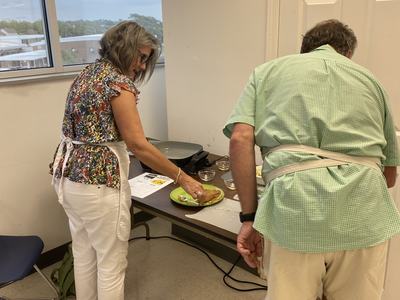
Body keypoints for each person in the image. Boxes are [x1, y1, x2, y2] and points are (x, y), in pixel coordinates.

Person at [223, 19, 400, 300]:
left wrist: (249, 219)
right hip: (364, 215)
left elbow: (240, 139)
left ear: (304, 50)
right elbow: (389, 176)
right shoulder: (371, 81)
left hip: (294, 211)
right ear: (347, 54)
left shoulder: (267, 72)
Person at [50, 21, 205, 300]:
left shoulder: (88, 74)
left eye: (147, 59)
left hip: (68, 177)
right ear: (125, 48)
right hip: (97, 185)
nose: (143, 66)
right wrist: (183, 177)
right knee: (111, 263)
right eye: (141, 56)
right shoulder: (118, 84)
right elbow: (137, 144)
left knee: (83, 253)